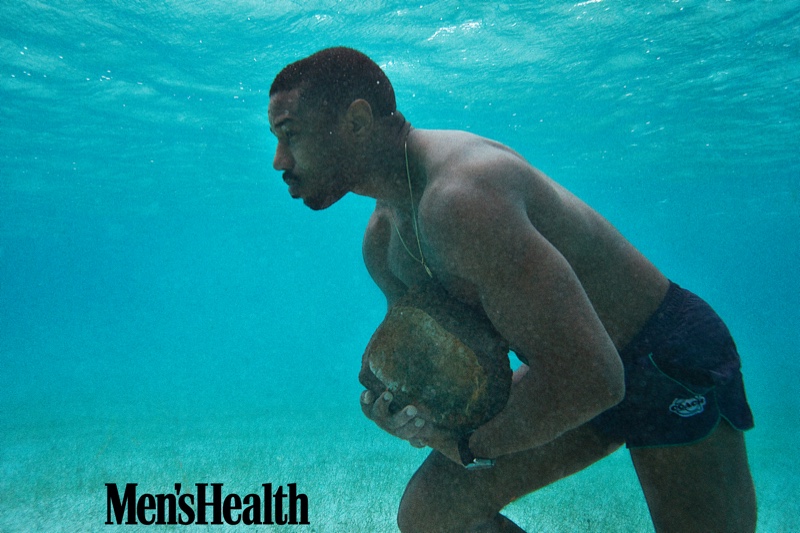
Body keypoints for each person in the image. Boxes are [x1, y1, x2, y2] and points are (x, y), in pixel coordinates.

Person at [267, 47, 756, 532]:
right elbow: (454, 372)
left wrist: (465, 444)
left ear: (356, 121)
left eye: (290, 135)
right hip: (569, 375)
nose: (278, 160)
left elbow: (597, 379)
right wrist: (402, 413)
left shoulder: (462, 197)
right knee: (432, 515)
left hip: (662, 357)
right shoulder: (383, 244)